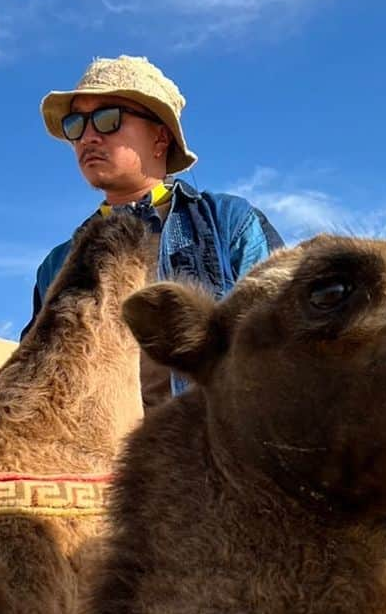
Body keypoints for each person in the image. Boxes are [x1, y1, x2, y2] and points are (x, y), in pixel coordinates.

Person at [25, 54, 284, 405]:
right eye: (76, 125)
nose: (87, 137)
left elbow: (282, 342)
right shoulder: (57, 265)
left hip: (208, 450)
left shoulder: (229, 223)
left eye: (106, 119)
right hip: (98, 457)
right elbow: (35, 384)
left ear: (160, 137)